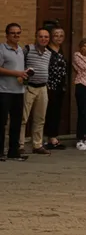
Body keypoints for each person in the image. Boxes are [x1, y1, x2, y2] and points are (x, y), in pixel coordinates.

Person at [20, 28, 52, 155]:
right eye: (41, 36)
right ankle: (20, 144)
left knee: (40, 118)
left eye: (46, 37)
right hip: (29, 87)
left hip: (42, 88)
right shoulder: (27, 49)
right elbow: (20, 65)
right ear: (36, 37)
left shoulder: (48, 53)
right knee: (23, 118)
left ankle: (37, 145)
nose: (44, 39)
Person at [0, 23, 28, 160]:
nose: (16, 35)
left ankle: (13, 151)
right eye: (13, 33)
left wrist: (24, 76)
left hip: (19, 91)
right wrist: (16, 73)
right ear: (7, 35)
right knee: (2, 122)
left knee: (16, 122)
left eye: (18, 33)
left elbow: (21, 71)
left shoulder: (20, 50)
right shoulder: (2, 49)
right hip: (4, 91)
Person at [38, 27, 68, 151]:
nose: (59, 38)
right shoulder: (47, 51)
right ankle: (48, 138)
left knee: (56, 112)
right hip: (49, 86)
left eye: (61, 35)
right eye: (56, 35)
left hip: (60, 87)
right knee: (48, 112)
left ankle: (53, 137)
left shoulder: (62, 51)